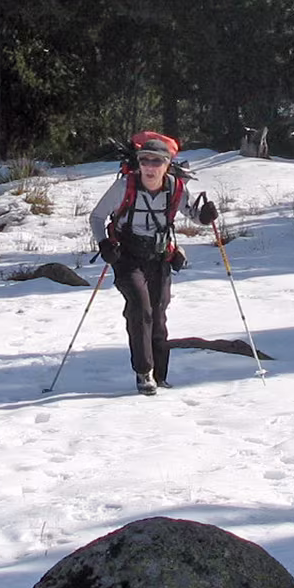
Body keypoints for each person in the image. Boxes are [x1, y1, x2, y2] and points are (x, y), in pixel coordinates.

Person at [88, 131, 216, 395]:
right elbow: (97, 217)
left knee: (158, 315)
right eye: (144, 160)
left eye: (156, 161)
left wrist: (205, 217)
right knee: (140, 309)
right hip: (127, 257)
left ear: (167, 164)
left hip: (159, 257)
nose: (149, 166)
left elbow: (193, 214)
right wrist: (104, 244)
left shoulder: (175, 188)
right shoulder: (124, 186)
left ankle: (161, 376)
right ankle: (144, 372)